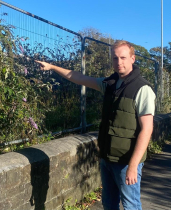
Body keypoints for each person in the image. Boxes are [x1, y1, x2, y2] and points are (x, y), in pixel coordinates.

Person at [35, 40, 155, 210]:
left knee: (131, 205)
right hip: (107, 157)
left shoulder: (142, 89)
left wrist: (133, 166)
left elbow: (147, 129)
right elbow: (78, 77)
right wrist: (52, 67)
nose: (119, 62)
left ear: (133, 59)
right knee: (109, 203)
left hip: (126, 161)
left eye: (123, 57)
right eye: (115, 58)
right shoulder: (109, 84)